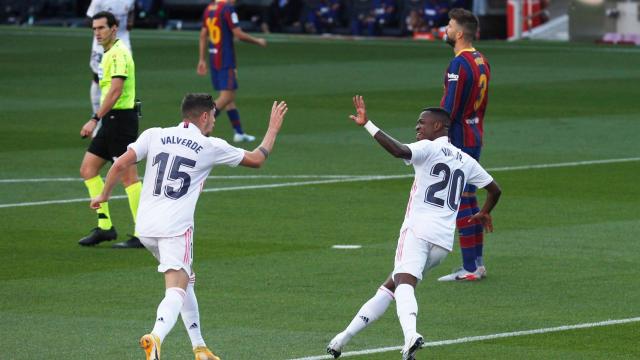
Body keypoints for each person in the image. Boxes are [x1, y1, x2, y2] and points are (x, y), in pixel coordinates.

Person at [90, 94, 288, 360]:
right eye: (214, 117)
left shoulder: (155, 134)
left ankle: (200, 348)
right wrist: (272, 130)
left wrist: (104, 195)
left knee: (187, 279)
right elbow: (256, 159)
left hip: (146, 227)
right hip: (175, 229)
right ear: (204, 116)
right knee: (175, 288)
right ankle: (155, 337)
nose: (215, 123)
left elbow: (121, 163)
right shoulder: (209, 145)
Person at [326, 95, 501, 359]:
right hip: (442, 243)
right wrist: (484, 212)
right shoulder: (465, 160)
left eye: (422, 123)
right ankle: (341, 339)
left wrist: (367, 124)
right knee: (390, 286)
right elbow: (495, 189)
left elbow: (398, 150)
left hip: (417, 231)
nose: (417, 127)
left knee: (404, 283)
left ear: (439, 127)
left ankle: (411, 336)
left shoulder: (429, 149)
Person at [78, 11, 143, 249]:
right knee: (88, 169)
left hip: (120, 120)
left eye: (101, 28)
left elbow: (116, 91)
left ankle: (142, 233)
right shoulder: (108, 53)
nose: (97, 33)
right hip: (112, 121)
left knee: (129, 178)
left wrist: (95, 118)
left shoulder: (118, 54)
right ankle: (105, 227)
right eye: (94, 29)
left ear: (114, 29)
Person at [437, 8, 491, 281]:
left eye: (449, 25)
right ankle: (476, 264)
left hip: (459, 139)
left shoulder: (459, 64)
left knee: (460, 202)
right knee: (468, 198)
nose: (445, 29)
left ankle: (471, 267)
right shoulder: (481, 59)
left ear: (459, 33)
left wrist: (435, 137)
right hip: (475, 134)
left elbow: (450, 107)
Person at [197, 0, 267, 143]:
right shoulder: (228, 8)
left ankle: (239, 132)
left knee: (228, 97)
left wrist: (202, 59)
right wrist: (258, 41)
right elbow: (238, 34)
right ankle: (201, 129)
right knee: (227, 97)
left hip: (214, 58)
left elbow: (203, 34)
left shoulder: (209, 8)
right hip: (225, 59)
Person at [86, 0, 135, 117]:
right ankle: (97, 114)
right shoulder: (99, 1)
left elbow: (131, 9)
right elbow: (89, 19)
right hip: (102, 43)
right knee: (99, 77)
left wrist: (130, 21)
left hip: (123, 38)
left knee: (123, 79)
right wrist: (106, 24)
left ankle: (116, 113)